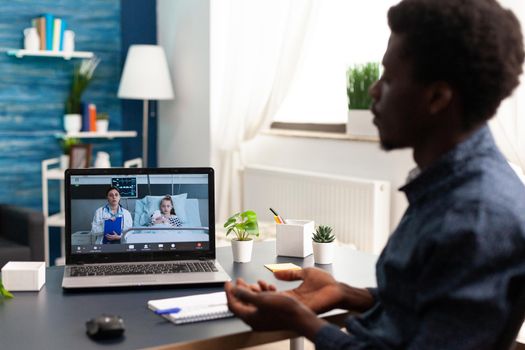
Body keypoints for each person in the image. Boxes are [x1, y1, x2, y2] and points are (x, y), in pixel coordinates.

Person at [225, 0, 525, 348]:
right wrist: (344, 293)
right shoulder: (450, 186)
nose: (374, 90)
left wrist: (303, 322)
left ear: (437, 97)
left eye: (389, 78)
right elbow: (421, 305)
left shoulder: (476, 219)